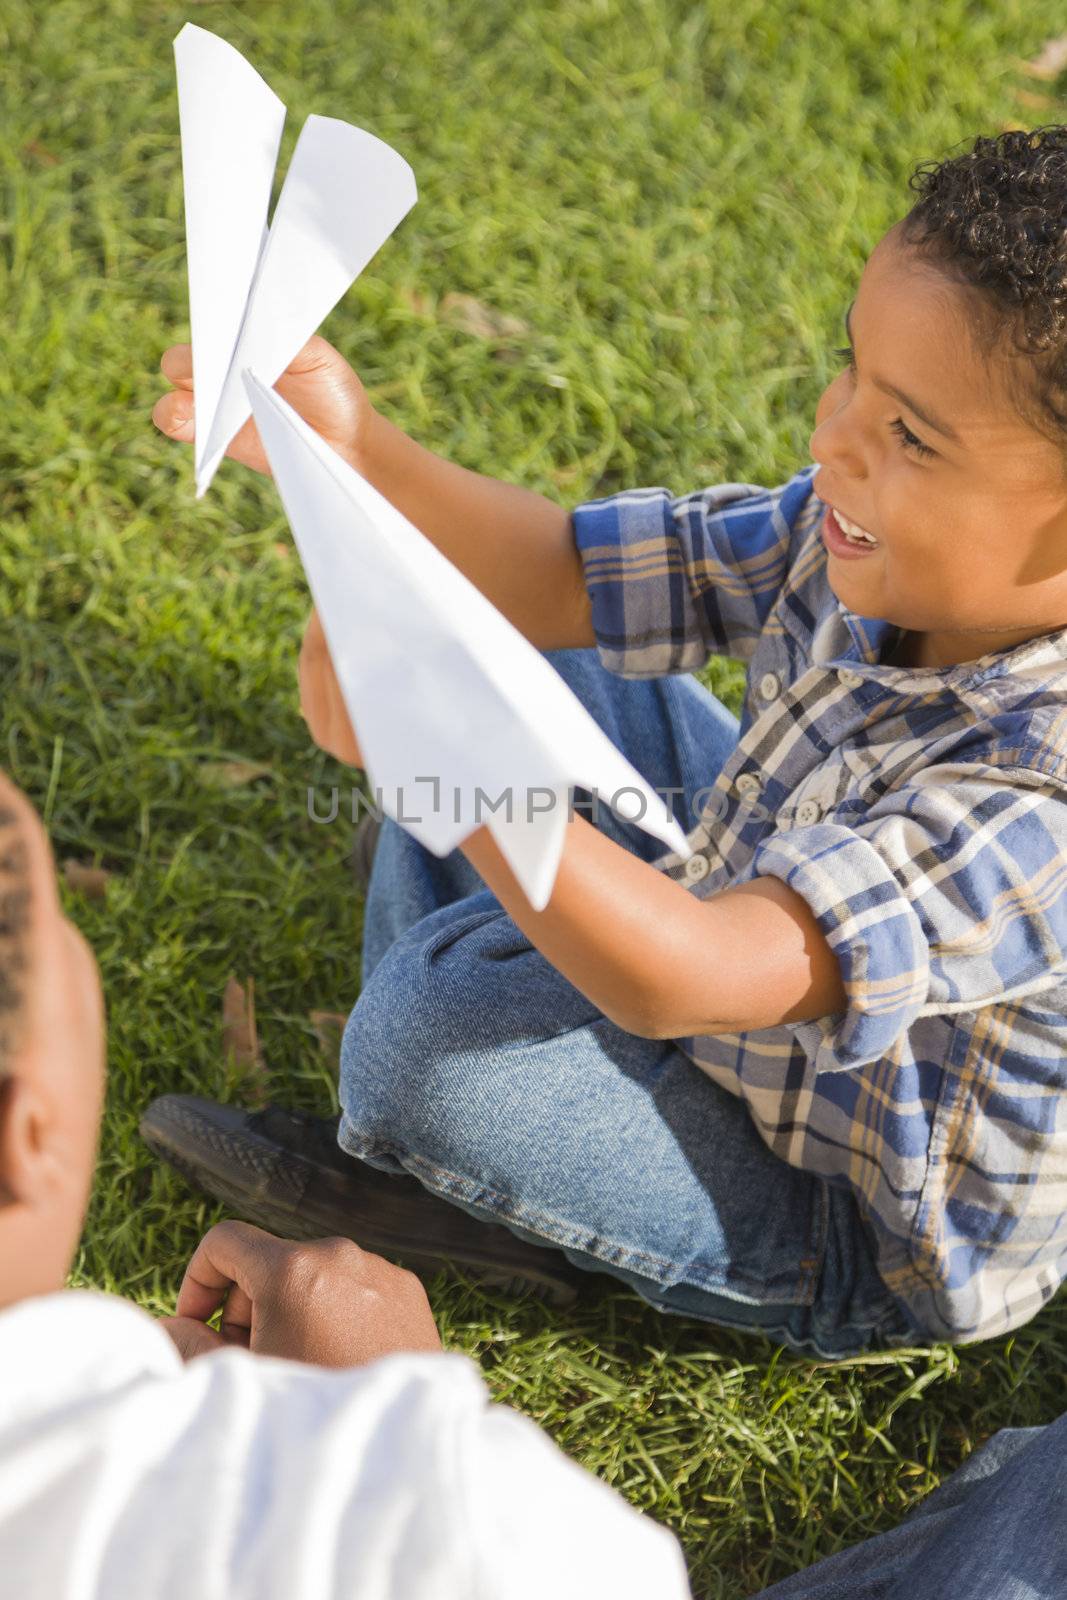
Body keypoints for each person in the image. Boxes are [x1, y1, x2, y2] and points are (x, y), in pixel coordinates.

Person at [149, 125, 1067, 1359]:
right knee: (489, 628)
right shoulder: (854, 535)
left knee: (426, 1035)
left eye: (910, 436)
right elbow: (564, 576)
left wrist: (447, 758)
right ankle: (506, 917)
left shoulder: (1041, 802)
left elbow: (683, 971)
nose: (828, 437)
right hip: (722, 924)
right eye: (848, 369)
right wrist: (355, 453)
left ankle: (443, 1180)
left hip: (840, 1207)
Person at [0, 773, 690, 1597]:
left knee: (457, 779)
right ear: (27, 1134)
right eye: (59, 931)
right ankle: (446, 1192)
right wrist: (373, 1427)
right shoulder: (456, 1534)